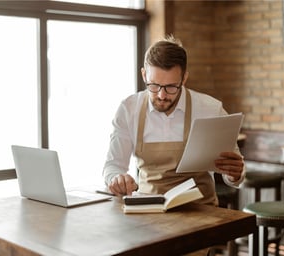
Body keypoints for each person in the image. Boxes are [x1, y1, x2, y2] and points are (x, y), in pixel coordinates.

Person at [103, 35, 245, 206]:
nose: (162, 95)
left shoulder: (211, 109)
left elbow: (234, 174)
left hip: (202, 211)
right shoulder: (128, 109)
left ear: (184, 78)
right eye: (154, 86)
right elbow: (113, 166)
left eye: (171, 87)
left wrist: (234, 174)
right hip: (149, 210)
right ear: (144, 75)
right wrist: (117, 179)